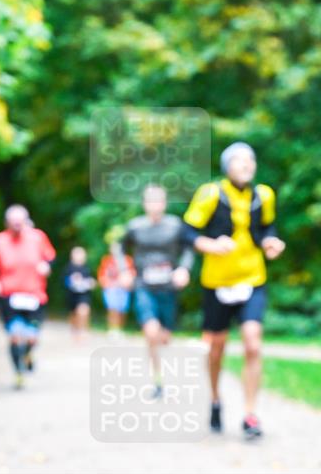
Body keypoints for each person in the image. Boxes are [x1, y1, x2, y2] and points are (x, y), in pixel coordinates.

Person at [183, 143, 286, 439]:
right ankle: (215, 399)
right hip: (216, 282)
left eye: (251, 159)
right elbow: (188, 231)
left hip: (252, 278)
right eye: (240, 160)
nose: (247, 164)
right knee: (216, 348)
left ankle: (250, 415)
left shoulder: (263, 195)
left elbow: (268, 227)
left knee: (253, 344)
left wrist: (271, 243)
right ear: (227, 166)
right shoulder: (210, 193)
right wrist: (211, 245)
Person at [119, 185, 194, 394]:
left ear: (164, 203)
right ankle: (157, 380)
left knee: (164, 337)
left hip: (169, 288)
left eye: (158, 201)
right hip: (144, 285)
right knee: (151, 332)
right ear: (144, 204)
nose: (155, 205)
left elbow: (189, 247)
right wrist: (125, 270)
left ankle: (162, 365)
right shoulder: (135, 227)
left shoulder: (175, 225)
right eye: (150, 201)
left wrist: (184, 269)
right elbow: (119, 247)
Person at [0, 205, 56, 389]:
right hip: (10, 295)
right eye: (13, 222)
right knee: (15, 336)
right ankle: (18, 373)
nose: (17, 225)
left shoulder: (38, 237)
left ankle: (28, 354)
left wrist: (47, 267)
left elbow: (50, 257)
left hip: (35, 295)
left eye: (20, 222)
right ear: (7, 223)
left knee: (32, 337)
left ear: (26, 221)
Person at [98, 234, 135, 338]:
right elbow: (102, 274)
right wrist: (106, 284)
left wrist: (129, 282)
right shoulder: (106, 260)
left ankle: (120, 329)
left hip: (123, 288)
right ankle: (112, 329)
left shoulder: (127, 260)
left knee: (122, 309)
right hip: (111, 288)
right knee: (112, 308)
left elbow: (132, 273)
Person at [63, 246, 95, 342]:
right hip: (72, 295)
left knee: (84, 311)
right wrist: (71, 281)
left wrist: (90, 283)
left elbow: (91, 280)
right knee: (73, 314)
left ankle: (83, 330)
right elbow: (64, 281)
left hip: (84, 295)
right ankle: (75, 330)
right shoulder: (68, 268)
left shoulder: (87, 268)